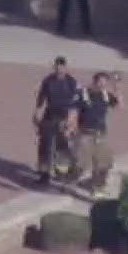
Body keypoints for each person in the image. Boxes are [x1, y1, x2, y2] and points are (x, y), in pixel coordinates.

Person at [33, 55, 81, 185]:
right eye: (57, 67)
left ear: (66, 67)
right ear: (54, 67)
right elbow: (41, 98)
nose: (60, 70)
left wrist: (72, 121)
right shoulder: (48, 80)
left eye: (62, 67)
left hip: (64, 118)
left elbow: (76, 103)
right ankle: (44, 174)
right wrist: (37, 112)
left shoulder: (72, 82)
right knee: (44, 147)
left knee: (62, 147)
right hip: (49, 116)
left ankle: (62, 173)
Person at [73, 71, 121, 195]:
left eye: (104, 83)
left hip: (100, 134)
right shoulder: (83, 94)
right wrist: (70, 125)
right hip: (85, 134)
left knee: (104, 162)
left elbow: (119, 105)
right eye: (100, 82)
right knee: (81, 164)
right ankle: (68, 178)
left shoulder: (106, 95)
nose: (102, 85)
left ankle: (97, 187)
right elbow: (73, 110)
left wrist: (116, 87)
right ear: (94, 81)